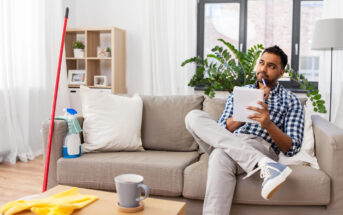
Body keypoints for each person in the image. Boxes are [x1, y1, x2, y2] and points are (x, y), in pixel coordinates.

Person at [185, 45, 305, 215]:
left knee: (220, 155)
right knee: (193, 116)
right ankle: (264, 164)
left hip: (260, 145)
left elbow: (291, 148)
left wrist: (268, 124)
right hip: (229, 140)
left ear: (281, 73)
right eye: (261, 63)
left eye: (271, 66)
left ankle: (264, 160)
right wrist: (243, 115)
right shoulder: (239, 94)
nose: (263, 69)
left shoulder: (291, 100)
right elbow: (218, 132)